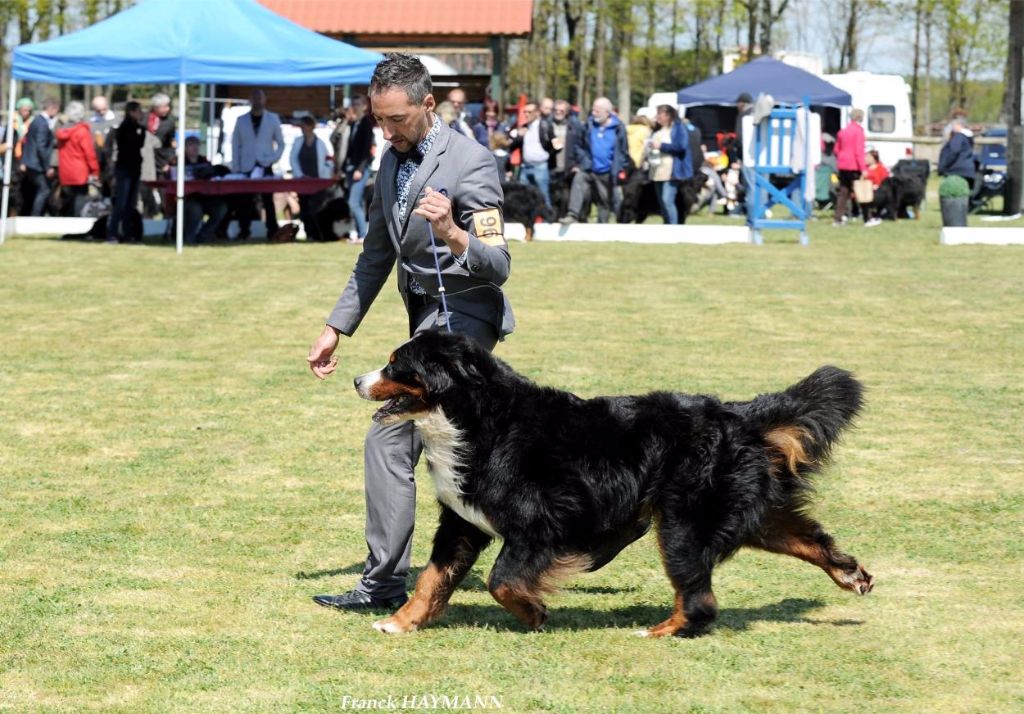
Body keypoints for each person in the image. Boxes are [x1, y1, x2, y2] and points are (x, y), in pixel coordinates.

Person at [307, 53, 513, 612]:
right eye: (379, 119)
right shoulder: (388, 161)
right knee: (481, 444)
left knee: (389, 435)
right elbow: (376, 253)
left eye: (396, 119)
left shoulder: (471, 162)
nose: (387, 130)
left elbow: (499, 263)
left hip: (463, 321)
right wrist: (335, 326)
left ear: (428, 104)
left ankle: (382, 584)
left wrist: (451, 231)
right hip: (422, 322)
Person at [559, 97, 629, 224]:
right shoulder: (588, 125)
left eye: (597, 111)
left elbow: (623, 152)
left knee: (604, 202)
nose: (594, 113)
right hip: (589, 168)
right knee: (578, 180)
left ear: (607, 112)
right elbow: (578, 146)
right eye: (593, 110)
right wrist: (583, 161)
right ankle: (572, 214)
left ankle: (603, 225)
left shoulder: (618, 128)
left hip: (608, 171)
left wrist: (618, 168)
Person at [231, 89, 285, 239]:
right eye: (255, 98)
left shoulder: (273, 119)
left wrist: (273, 158)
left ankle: (272, 230)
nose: (257, 101)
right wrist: (236, 167)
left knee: (268, 199)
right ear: (251, 100)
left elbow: (281, 143)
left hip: (265, 164)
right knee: (244, 200)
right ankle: (244, 230)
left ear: (264, 100)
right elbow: (235, 145)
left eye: (260, 98)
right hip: (246, 166)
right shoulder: (241, 120)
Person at [288, 116, 332, 242]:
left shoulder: (321, 143)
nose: (302, 128)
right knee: (304, 209)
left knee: (315, 209)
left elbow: (327, 162)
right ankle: (309, 234)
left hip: (317, 182)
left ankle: (319, 234)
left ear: (310, 126)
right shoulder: (297, 141)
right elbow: (293, 159)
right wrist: (299, 174)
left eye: (304, 125)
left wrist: (324, 176)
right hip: (302, 181)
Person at [107, 101, 145, 242]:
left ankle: (128, 233)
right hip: (125, 169)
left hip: (134, 168)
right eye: (138, 111)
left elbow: (140, 143)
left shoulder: (139, 128)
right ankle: (112, 232)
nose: (141, 114)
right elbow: (131, 144)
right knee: (121, 203)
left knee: (130, 203)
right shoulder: (125, 128)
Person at [55, 101, 100, 218]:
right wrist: (95, 170)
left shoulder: (61, 131)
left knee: (67, 200)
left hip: (65, 170)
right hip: (80, 171)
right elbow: (89, 153)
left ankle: (64, 221)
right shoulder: (82, 131)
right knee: (80, 201)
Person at [648, 105, 692, 225]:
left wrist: (662, 146)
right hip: (657, 170)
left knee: (667, 200)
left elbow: (681, 146)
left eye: (660, 114)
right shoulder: (657, 130)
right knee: (661, 202)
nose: (657, 117)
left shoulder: (678, 128)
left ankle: (673, 227)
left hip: (671, 170)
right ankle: (666, 225)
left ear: (668, 116)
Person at [181, 136, 229, 244]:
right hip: (187, 198)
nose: (194, 147)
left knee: (221, 207)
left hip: (206, 197)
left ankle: (204, 235)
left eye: (196, 144)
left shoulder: (205, 161)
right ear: (185, 147)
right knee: (195, 209)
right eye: (191, 144)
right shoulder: (179, 162)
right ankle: (190, 238)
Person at [19, 97, 60, 217]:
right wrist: (47, 167)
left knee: (43, 190)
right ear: (52, 108)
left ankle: (46, 215)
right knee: (44, 190)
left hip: (32, 162)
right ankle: (35, 217)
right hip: (36, 163)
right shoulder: (42, 123)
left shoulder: (36, 121)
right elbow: (41, 146)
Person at [342, 95, 375, 241]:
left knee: (353, 202)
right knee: (358, 202)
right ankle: (357, 233)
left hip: (360, 168)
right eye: (353, 104)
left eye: (358, 104)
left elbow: (366, 149)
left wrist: (360, 169)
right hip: (350, 167)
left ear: (365, 106)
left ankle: (363, 234)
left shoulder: (365, 123)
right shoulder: (353, 123)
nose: (354, 106)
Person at [512, 100, 554, 206]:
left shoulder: (545, 125)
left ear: (537, 113)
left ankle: (547, 220)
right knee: (523, 196)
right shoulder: (524, 127)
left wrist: (548, 155)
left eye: (529, 112)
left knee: (543, 196)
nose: (526, 114)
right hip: (525, 167)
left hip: (540, 166)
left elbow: (555, 144)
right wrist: (518, 136)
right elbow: (512, 143)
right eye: (525, 112)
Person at [833, 108, 867, 226]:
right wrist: (863, 168)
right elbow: (859, 151)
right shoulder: (859, 131)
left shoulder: (842, 131)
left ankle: (838, 218)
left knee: (843, 192)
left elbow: (836, 149)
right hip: (854, 166)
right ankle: (867, 217)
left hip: (842, 165)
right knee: (860, 191)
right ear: (859, 118)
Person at [862, 148, 888, 227]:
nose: (866, 159)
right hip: (865, 190)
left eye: (868, 157)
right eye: (865, 157)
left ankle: (875, 214)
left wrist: (877, 186)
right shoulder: (864, 169)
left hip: (878, 191)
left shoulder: (881, 168)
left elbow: (884, 181)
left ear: (874, 159)